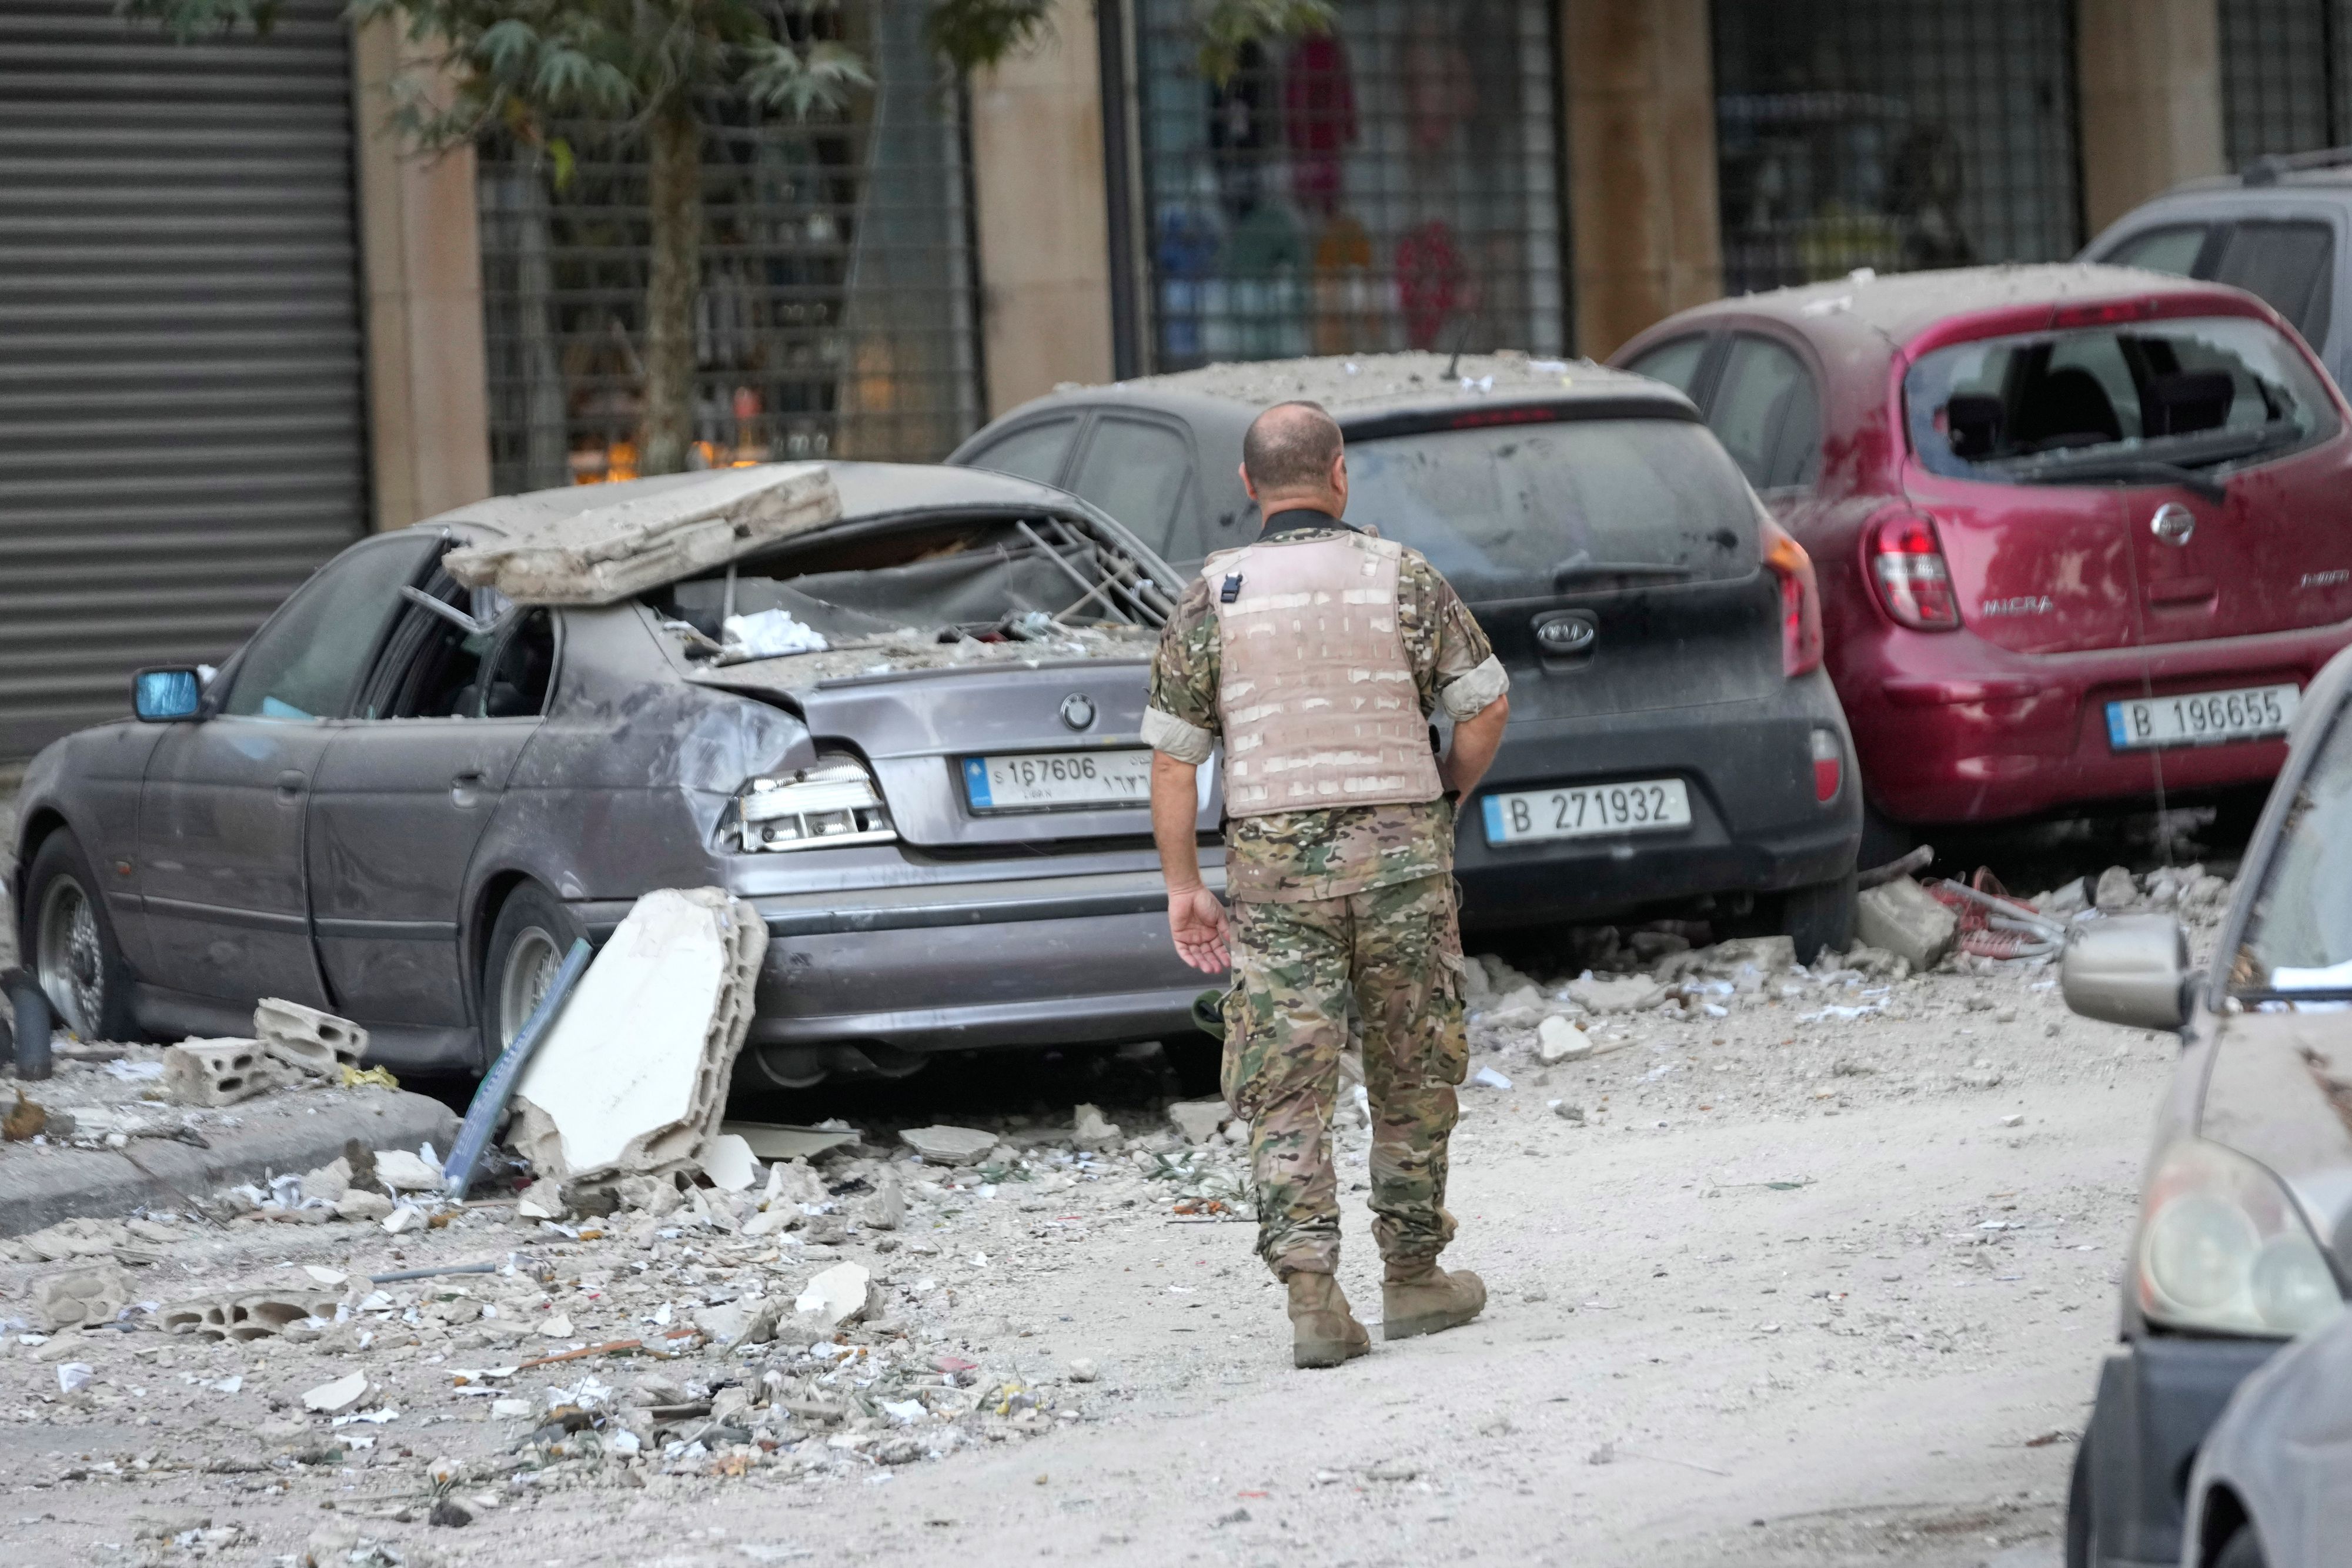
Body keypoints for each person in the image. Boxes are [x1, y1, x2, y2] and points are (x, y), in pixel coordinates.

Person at [1143, 400, 1512, 1368]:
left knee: (1286, 1087)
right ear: (1340, 475)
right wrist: (1446, 792)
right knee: (1412, 1071)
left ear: (1248, 485)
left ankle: (1314, 1299)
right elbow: (1485, 705)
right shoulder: (1404, 576)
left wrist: (1184, 886)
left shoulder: (1209, 596)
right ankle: (1415, 1277)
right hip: (1403, 868)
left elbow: (1176, 763)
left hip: (1274, 882)